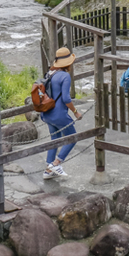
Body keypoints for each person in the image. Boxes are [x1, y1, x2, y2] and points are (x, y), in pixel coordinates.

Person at [40, 47, 82, 180]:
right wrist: (75, 112)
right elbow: (66, 98)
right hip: (59, 115)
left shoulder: (50, 73)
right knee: (72, 138)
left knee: (55, 139)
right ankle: (56, 164)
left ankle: (48, 170)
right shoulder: (65, 76)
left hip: (47, 113)